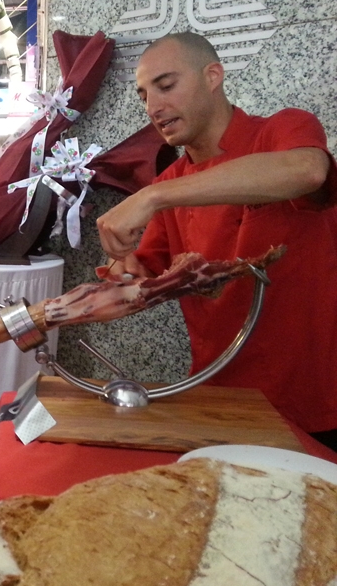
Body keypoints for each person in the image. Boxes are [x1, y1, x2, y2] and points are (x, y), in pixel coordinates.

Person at [96, 31, 337, 448]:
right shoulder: (172, 179)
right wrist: (124, 271)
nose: (154, 107)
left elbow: (308, 171)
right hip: (218, 395)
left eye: (166, 86)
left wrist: (152, 196)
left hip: (313, 397)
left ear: (213, 76)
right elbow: (141, 271)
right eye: (143, 95)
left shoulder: (282, 129)